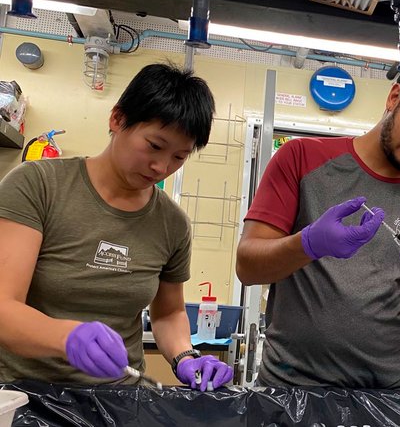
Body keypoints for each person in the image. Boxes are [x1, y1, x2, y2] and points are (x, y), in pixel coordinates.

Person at [236, 55, 400, 390]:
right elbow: (248, 267)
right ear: (394, 98)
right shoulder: (301, 159)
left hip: (388, 399)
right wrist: (309, 243)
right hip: (290, 391)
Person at [0, 63, 232, 391]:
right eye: (154, 146)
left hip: (118, 399)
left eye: (179, 157)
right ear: (117, 118)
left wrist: (186, 357)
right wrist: (66, 338)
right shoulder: (38, 186)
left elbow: (167, 313)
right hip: (27, 397)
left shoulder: (172, 224)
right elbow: (3, 308)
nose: (161, 167)